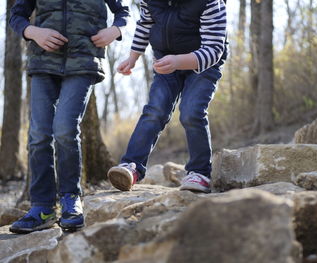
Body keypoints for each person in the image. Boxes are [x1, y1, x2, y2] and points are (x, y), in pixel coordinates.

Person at [8, 0, 129, 233]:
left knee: (65, 128)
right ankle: (42, 208)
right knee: (39, 135)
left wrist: (115, 30)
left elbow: (124, 12)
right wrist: (34, 32)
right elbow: (17, 15)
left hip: (84, 62)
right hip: (43, 62)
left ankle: (71, 199)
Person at [107, 0, 227, 193]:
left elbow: (214, 49)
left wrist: (180, 61)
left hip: (203, 62)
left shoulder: (210, 3)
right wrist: (133, 57)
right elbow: (145, 25)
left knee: (192, 112)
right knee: (155, 110)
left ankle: (199, 172)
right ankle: (131, 166)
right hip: (165, 59)